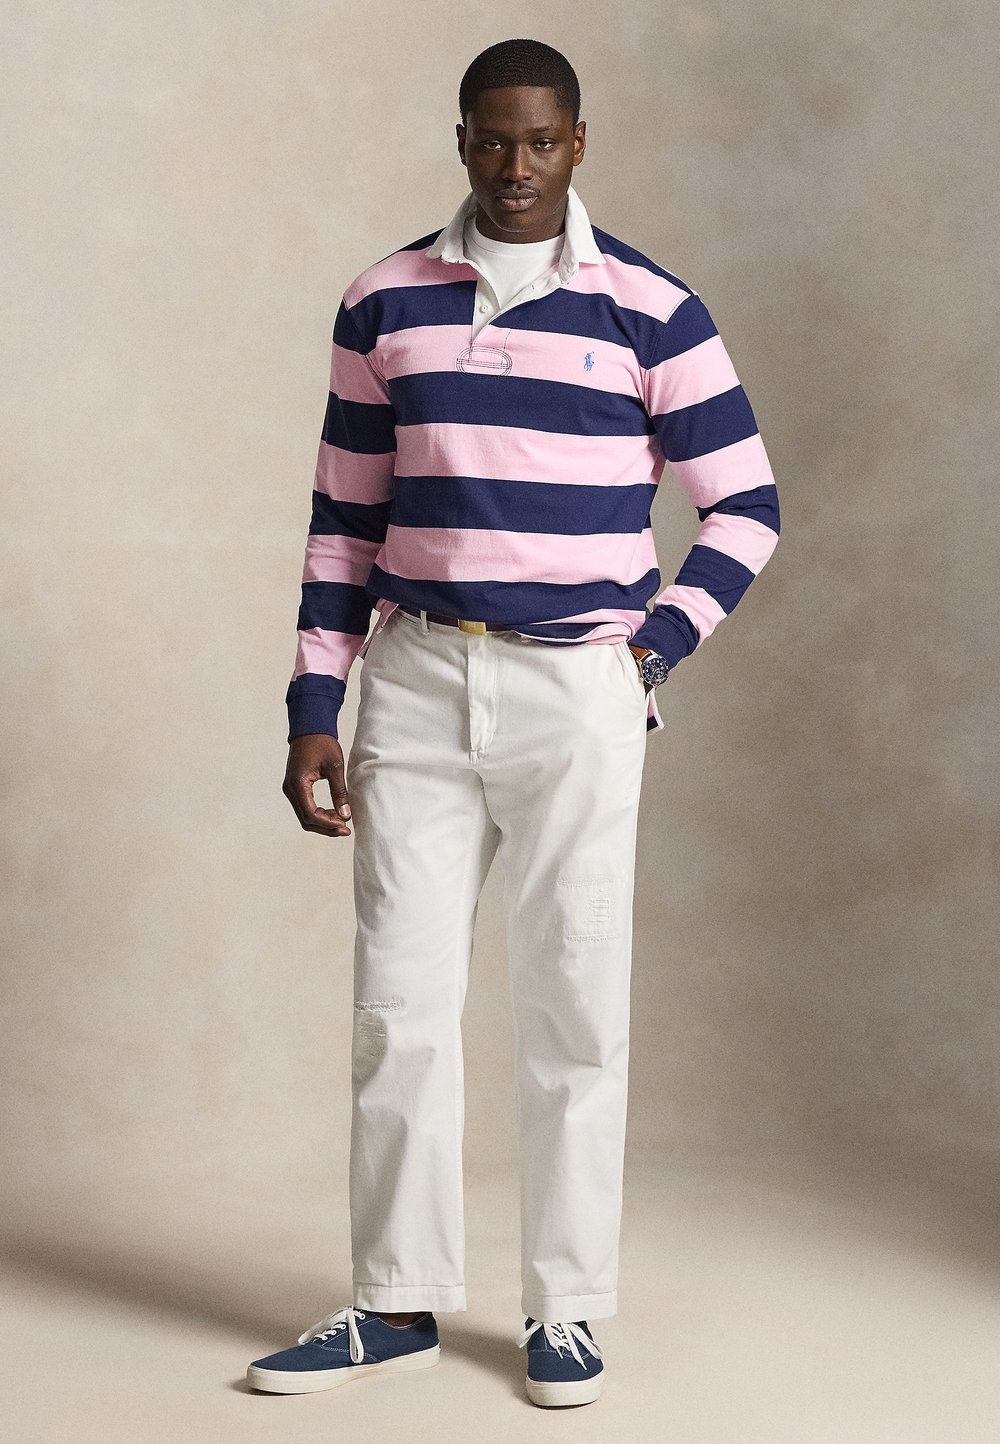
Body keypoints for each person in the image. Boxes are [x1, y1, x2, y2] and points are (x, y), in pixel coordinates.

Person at [247, 37, 780, 1409]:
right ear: (462, 141)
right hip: (417, 683)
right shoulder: (383, 303)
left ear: (577, 144)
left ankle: (568, 1310)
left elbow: (746, 507)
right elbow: (344, 519)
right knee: (398, 1006)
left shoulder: (651, 308)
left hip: (576, 692)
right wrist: (316, 700)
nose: (516, 166)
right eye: (493, 140)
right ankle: (394, 1300)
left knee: (575, 1009)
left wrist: (649, 652)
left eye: (541, 141)